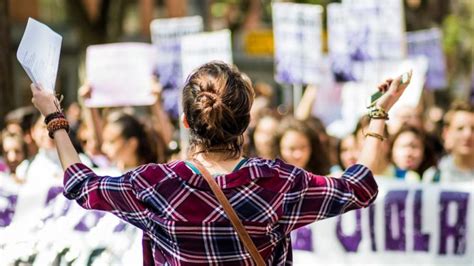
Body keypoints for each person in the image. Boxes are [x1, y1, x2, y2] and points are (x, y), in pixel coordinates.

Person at [30, 61, 412, 265]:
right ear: (246, 124)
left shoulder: (154, 185)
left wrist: (55, 117)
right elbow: (359, 186)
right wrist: (379, 113)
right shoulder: (278, 182)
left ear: (184, 122)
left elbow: (81, 184)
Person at [424, 101, 474, 182]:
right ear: (446, 133)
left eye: (473, 129)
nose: (467, 135)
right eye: (460, 128)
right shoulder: (434, 177)